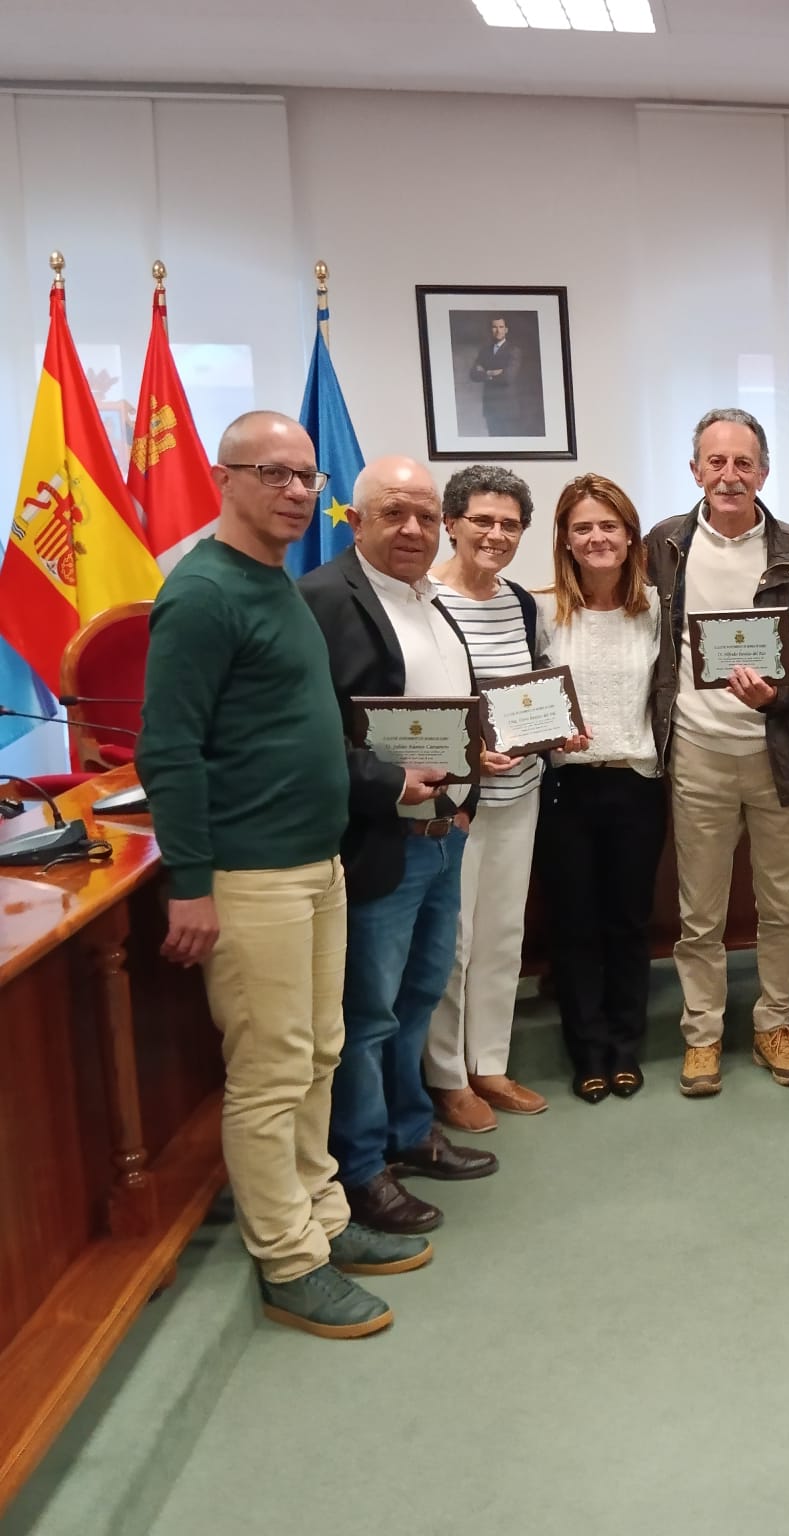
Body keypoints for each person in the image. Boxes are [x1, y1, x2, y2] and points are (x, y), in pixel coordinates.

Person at [138, 411, 428, 1340]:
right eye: (275, 474)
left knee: (319, 1053)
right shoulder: (202, 595)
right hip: (249, 874)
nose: (298, 492)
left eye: (308, 478)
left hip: (320, 865)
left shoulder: (282, 587)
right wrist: (190, 882)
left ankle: (326, 1223)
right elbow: (170, 749)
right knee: (268, 1072)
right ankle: (288, 1259)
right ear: (226, 478)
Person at [300, 456, 499, 1238]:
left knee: (418, 996)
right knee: (367, 1013)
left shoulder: (430, 602)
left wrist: (469, 786)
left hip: (443, 833)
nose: (412, 529)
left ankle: (410, 1132)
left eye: (424, 514)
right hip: (380, 840)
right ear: (356, 518)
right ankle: (360, 1169)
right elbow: (316, 736)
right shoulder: (321, 601)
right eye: (393, 514)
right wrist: (392, 787)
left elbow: (451, 716)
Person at [648, 407, 789, 1097]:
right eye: (715, 461)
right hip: (697, 753)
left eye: (743, 463)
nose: (729, 475)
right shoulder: (665, 546)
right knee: (698, 912)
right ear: (695, 469)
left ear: (763, 471)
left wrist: (780, 693)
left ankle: (775, 1024)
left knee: (782, 907)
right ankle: (702, 1034)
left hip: (781, 753)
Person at [423, 465, 571, 1133]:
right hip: (454, 807)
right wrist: (463, 758)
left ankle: (489, 1063)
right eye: (481, 520)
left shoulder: (520, 602)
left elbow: (531, 695)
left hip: (521, 794)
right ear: (451, 523)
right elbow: (414, 713)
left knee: (502, 936)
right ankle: (447, 1077)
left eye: (510, 524)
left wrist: (557, 728)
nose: (495, 534)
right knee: (452, 942)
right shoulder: (421, 601)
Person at [536, 474, 667, 1104]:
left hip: (637, 786)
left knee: (627, 921)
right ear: (564, 538)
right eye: (583, 527)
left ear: (629, 535)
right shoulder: (542, 615)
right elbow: (522, 707)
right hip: (567, 791)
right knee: (575, 923)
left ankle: (623, 1046)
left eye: (608, 526)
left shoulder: (657, 610)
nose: (597, 538)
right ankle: (586, 1049)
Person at [468, 316, 527, 437]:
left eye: (501, 327)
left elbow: (507, 378)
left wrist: (484, 372)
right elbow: (473, 375)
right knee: (493, 445)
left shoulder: (513, 351)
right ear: (490, 330)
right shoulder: (484, 351)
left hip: (507, 409)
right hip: (490, 408)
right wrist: (491, 373)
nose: (498, 330)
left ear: (506, 330)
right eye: (494, 327)